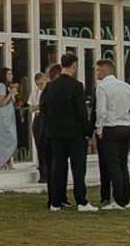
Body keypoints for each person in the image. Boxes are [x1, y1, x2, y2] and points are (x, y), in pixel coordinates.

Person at [37, 52, 94, 212]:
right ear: (74, 66)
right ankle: (81, 201)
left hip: (55, 133)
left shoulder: (50, 86)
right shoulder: (76, 86)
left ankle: (55, 201)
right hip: (74, 133)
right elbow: (81, 111)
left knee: (58, 167)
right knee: (78, 169)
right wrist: (87, 130)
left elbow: (44, 108)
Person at [94, 55, 130, 210]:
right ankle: (126, 199)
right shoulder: (126, 87)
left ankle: (118, 199)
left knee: (113, 164)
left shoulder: (102, 88)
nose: (96, 74)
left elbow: (101, 111)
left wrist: (99, 128)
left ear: (103, 71)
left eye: (97, 71)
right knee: (123, 164)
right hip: (124, 127)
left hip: (110, 127)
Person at [0, 68, 23, 170]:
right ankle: (4, 161)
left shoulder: (8, 86)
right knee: (6, 138)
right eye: (9, 74)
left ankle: (9, 160)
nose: (11, 76)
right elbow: (1, 102)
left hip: (10, 115)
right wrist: (11, 93)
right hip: (3, 116)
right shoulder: (1, 86)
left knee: (12, 138)